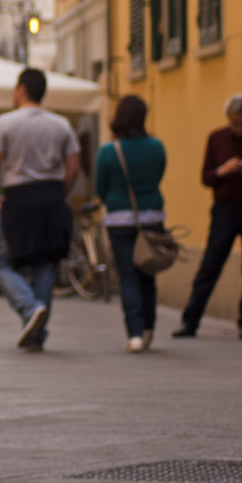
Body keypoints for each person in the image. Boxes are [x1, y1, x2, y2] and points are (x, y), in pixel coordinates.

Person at [0, 67, 80, 351]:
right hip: (51, 195)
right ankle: (36, 334)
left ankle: (28, 309)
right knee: (45, 262)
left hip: (18, 196)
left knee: (0, 260)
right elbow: (73, 167)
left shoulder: (5, 123)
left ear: (22, 89)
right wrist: (60, 193)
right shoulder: (61, 124)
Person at [174, 93, 242, 339]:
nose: (239, 128)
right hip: (224, 209)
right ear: (228, 120)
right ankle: (190, 321)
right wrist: (223, 170)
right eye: (235, 123)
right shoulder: (217, 138)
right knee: (210, 265)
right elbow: (206, 177)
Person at [94, 95, 167, 353]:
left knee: (128, 277)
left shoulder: (108, 151)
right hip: (152, 218)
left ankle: (134, 333)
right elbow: (158, 176)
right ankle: (149, 329)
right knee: (148, 272)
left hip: (120, 220)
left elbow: (100, 188)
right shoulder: (157, 146)